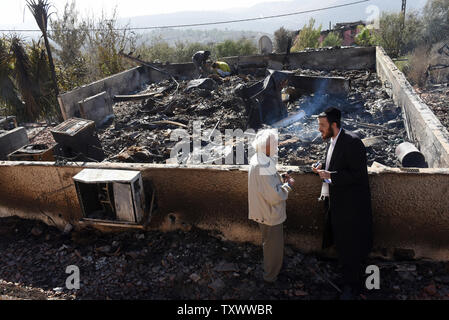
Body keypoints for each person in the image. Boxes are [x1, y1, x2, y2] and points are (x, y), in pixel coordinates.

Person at [312, 107, 373, 300]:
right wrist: (322, 166)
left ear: (334, 124)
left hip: (351, 208)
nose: (319, 129)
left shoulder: (353, 142)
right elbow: (335, 164)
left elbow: (358, 175)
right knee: (342, 244)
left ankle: (352, 287)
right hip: (337, 204)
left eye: (322, 126)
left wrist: (330, 176)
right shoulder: (332, 141)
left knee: (351, 246)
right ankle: (347, 278)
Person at [248, 129, 294, 283]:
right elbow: (274, 196)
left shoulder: (258, 158)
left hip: (262, 211)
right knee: (272, 247)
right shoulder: (264, 163)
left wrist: (280, 179)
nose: (277, 145)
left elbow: (266, 184)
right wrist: (288, 185)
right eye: (274, 143)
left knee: (268, 243)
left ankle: (271, 270)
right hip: (270, 213)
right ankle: (271, 276)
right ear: (265, 146)